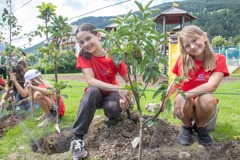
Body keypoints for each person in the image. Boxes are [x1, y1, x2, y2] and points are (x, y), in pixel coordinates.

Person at [70, 23, 132, 159]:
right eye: (81, 42)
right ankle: (77, 139)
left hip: (110, 94)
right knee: (91, 90)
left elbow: (128, 81)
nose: (85, 44)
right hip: (96, 94)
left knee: (113, 108)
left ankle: (113, 118)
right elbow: (91, 81)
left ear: (98, 36)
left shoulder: (114, 55)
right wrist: (118, 88)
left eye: (88, 38)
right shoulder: (84, 56)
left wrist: (126, 95)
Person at [161, 25, 229, 147]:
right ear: (185, 49)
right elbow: (176, 82)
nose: (192, 46)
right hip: (186, 106)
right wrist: (164, 99)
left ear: (203, 37)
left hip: (202, 106)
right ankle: (187, 126)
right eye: (187, 45)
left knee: (206, 98)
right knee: (183, 98)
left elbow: (212, 86)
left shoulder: (218, 59)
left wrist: (184, 95)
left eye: (194, 40)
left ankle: (201, 126)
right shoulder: (183, 60)